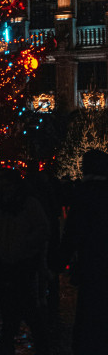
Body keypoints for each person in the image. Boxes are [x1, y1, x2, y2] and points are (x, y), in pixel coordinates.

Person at [0, 169, 50, 355]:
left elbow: (42, 229)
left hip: (23, 260)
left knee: (26, 304)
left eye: (7, 184)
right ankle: (8, 341)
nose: (3, 188)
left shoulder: (29, 203)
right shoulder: (1, 204)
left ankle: (38, 343)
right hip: (5, 259)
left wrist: (25, 244)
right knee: (8, 304)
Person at [60, 148, 108, 354]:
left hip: (90, 262)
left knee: (89, 309)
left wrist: (60, 260)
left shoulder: (84, 194)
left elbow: (73, 231)